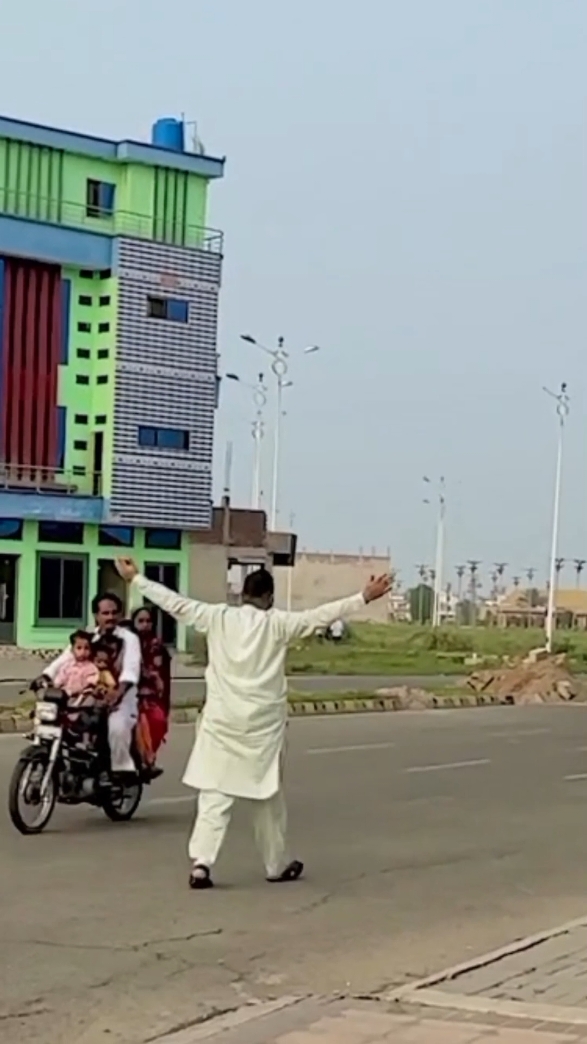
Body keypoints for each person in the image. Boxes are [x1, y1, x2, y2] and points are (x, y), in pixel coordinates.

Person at [115, 557, 391, 890]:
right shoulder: (278, 624)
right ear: (269, 597)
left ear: (242, 594)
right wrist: (364, 597)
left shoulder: (218, 617)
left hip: (221, 722)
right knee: (266, 796)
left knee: (214, 795)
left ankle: (201, 863)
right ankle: (275, 864)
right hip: (261, 727)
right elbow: (320, 616)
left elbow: (175, 603)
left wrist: (136, 579)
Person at [40, 593, 141, 775]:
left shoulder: (129, 639)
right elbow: (64, 658)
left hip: (120, 696)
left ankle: (119, 772)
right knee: (60, 721)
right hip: (86, 695)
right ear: (96, 615)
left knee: (117, 728)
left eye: (114, 613)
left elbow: (131, 669)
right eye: (105, 613)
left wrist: (117, 693)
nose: (110, 617)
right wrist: (46, 676)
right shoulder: (87, 638)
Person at [131, 605, 171, 777]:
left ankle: (149, 757)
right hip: (129, 693)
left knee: (158, 721)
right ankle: (146, 760)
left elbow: (163, 676)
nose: (145, 625)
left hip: (151, 696)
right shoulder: (126, 643)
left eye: (148, 621)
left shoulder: (157, 646)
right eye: (140, 621)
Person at [53, 630, 100, 697]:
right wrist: (57, 685)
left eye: (86, 648)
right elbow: (60, 678)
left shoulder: (91, 668)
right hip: (65, 694)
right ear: (72, 650)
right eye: (79, 648)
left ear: (91, 651)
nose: (83, 652)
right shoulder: (68, 665)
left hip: (81, 696)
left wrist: (86, 688)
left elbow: (91, 683)